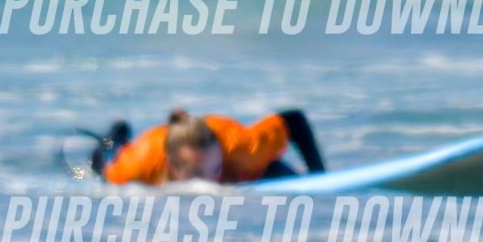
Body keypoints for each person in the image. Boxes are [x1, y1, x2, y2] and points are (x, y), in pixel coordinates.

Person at [93, 107, 326, 185]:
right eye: (196, 173)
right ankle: (118, 132)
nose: (209, 182)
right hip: (151, 145)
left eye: (215, 169)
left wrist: (319, 177)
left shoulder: (244, 147)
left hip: (227, 142)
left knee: (266, 167)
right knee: (103, 159)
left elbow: (295, 120)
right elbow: (102, 168)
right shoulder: (140, 164)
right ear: (173, 166)